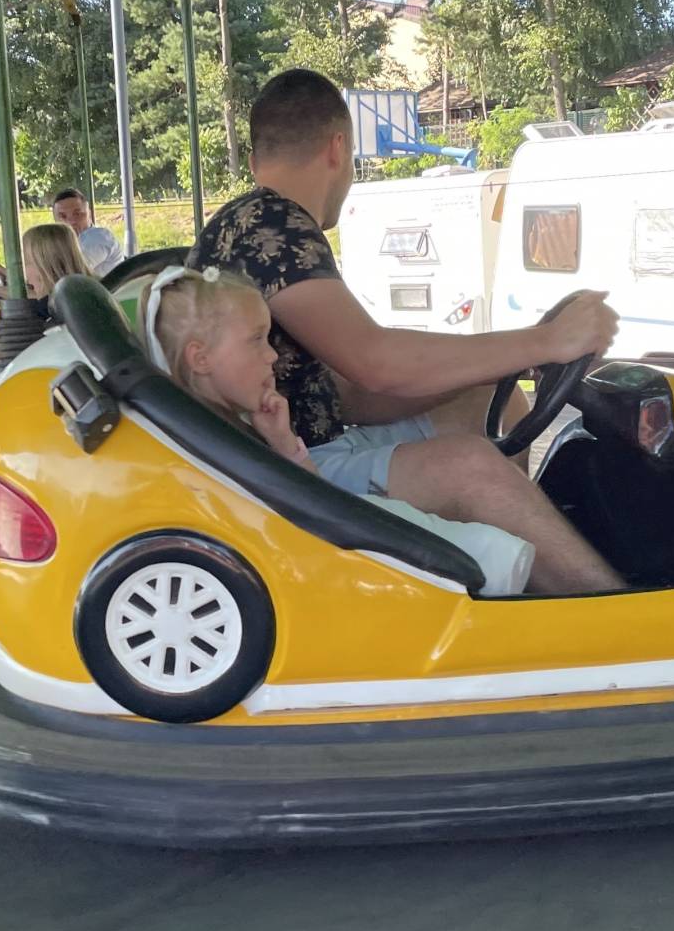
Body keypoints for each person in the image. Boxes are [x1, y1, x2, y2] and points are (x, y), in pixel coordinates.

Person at [187, 66, 622, 595]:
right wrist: (544, 342)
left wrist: (504, 361)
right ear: (339, 148)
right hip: (288, 473)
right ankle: (622, 616)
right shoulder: (274, 226)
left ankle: (512, 580)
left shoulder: (246, 223)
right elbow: (376, 363)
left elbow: (353, 392)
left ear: (256, 159)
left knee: (490, 399)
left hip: (292, 452)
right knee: (469, 466)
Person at [144, 264, 534, 595]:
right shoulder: (209, 445)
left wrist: (283, 441)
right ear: (201, 358)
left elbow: (309, 496)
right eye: (256, 340)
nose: (272, 355)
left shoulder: (232, 428)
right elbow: (303, 518)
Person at [0, 224, 92, 379]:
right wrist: (9, 276)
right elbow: (36, 296)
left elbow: (37, 301)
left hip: (55, 371)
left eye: (26, 262)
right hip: (72, 364)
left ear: (43, 264)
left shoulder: (49, 308)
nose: (24, 269)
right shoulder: (82, 289)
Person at [52, 188, 123, 270]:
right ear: (55, 220)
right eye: (63, 216)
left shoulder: (98, 237)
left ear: (89, 214)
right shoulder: (63, 243)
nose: (71, 222)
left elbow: (72, 271)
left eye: (77, 214)